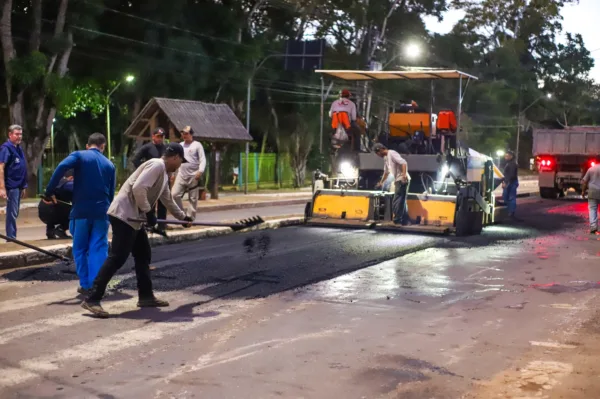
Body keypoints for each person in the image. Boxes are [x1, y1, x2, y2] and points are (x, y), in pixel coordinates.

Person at [81, 143, 193, 318]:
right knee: (117, 258)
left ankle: (146, 296)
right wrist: (149, 212)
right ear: (175, 157)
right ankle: (92, 298)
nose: (179, 166)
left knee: (143, 255)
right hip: (124, 216)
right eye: (180, 162)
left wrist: (182, 217)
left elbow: (167, 199)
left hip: (135, 219)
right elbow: (139, 188)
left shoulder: (162, 173)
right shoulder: (156, 165)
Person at [43, 133, 116, 295]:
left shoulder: (79, 155)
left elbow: (61, 167)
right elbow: (111, 194)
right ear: (103, 146)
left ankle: (85, 285)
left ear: (87, 145)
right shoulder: (110, 165)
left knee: (80, 248)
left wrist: (50, 191)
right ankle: (97, 286)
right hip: (101, 213)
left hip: (80, 212)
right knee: (98, 248)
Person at [131, 127, 167, 234]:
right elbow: (135, 159)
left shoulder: (166, 148)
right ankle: (149, 223)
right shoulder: (147, 147)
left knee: (163, 202)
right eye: (158, 136)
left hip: (163, 179)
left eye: (162, 137)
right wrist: (143, 171)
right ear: (153, 136)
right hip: (151, 180)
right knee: (150, 202)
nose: (160, 139)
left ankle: (161, 225)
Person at [172, 126, 206, 220]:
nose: (184, 135)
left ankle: (190, 218)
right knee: (174, 194)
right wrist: (173, 173)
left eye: (186, 133)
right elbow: (175, 159)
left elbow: (202, 159)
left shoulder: (197, 145)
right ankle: (183, 216)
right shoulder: (180, 145)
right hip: (181, 174)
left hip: (194, 175)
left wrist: (200, 171)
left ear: (191, 134)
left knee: (193, 198)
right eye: (183, 133)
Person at [0, 125, 27, 239]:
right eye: (16, 134)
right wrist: (2, 187)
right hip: (11, 186)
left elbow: (21, 167)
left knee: (14, 212)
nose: (19, 136)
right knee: (12, 213)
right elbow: (1, 168)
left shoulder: (18, 148)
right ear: (10, 134)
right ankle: (11, 238)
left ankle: (12, 236)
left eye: (20, 134)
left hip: (18, 186)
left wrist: (24, 186)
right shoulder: (6, 148)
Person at [373, 143, 411, 225]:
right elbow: (386, 172)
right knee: (401, 200)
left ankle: (397, 220)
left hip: (402, 179)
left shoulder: (392, 153)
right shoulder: (386, 158)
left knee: (397, 200)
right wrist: (381, 183)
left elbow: (403, 163)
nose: (378, 155)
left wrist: (404, 176)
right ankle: (405, 220)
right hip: (398, 179)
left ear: (380, 150)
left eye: (377, 153)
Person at [38, 169, 74, 239]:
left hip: (43, 213)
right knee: (76, 209)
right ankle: (61, 228)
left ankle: (50, 230)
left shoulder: (56, 182)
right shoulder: (68, 184)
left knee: (59, 204)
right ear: (71, 178)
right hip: (54, 212)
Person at [581, 160, 600, 234]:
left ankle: (593, 228)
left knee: (592, 209)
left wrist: (583, 191)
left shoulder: (591, 169)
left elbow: (585, 181)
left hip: (592, 191)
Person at [501, 150, 519, 218]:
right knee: (506, 197)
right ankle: (508, 211)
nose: (505, 157)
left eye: (507, 156)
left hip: (511, 182)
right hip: (509, 182)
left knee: (511, 197)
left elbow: (511, 175)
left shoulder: (512, 164)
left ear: (511, 156)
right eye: (505, 156)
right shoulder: (508, 163)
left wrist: (506, 183)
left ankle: (511, 212)